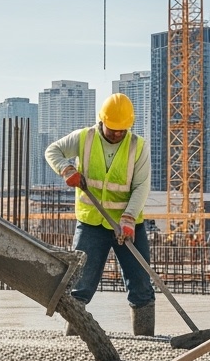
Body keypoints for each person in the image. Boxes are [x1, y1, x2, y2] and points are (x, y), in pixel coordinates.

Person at [44, 93, 156, 335]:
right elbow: (53, 151)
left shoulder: (138, 147)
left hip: (128, 225)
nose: (117, 134)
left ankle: (146, 339)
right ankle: (74, 337)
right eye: (113, 129)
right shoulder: (84, 138)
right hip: (92, 224)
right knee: (80, 284)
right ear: (102, 120)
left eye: (122, 130)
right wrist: (66, 169)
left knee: (141, 284)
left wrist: (129, 218)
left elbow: (141, 186)